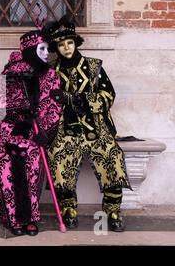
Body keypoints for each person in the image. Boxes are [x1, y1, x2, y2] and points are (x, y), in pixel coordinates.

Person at [45, 16, 131, 232]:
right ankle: (68, 209)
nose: (66, 48)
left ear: (76, 43)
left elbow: (108, 95)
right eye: (61, 44)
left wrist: (80, 99)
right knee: (58, 156)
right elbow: (46, 102)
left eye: (70, 43)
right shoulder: (51, 71)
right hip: (67, 128)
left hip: (96, 127)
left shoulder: (94, 67)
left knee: (113, 156)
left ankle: (112, 210)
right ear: (56, 47)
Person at [0, 29, 62, 236]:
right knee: (8, 157)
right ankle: (10, 216)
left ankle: (29, 217)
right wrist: (18, 111)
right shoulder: (9, 73)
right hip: (7, 128)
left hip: (35, 131)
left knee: (30, 155)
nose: (47, 53)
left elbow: (54, 108)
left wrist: (44, 132)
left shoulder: (51, 75)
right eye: (42, 48)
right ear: (30, 49)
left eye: (48, 48)